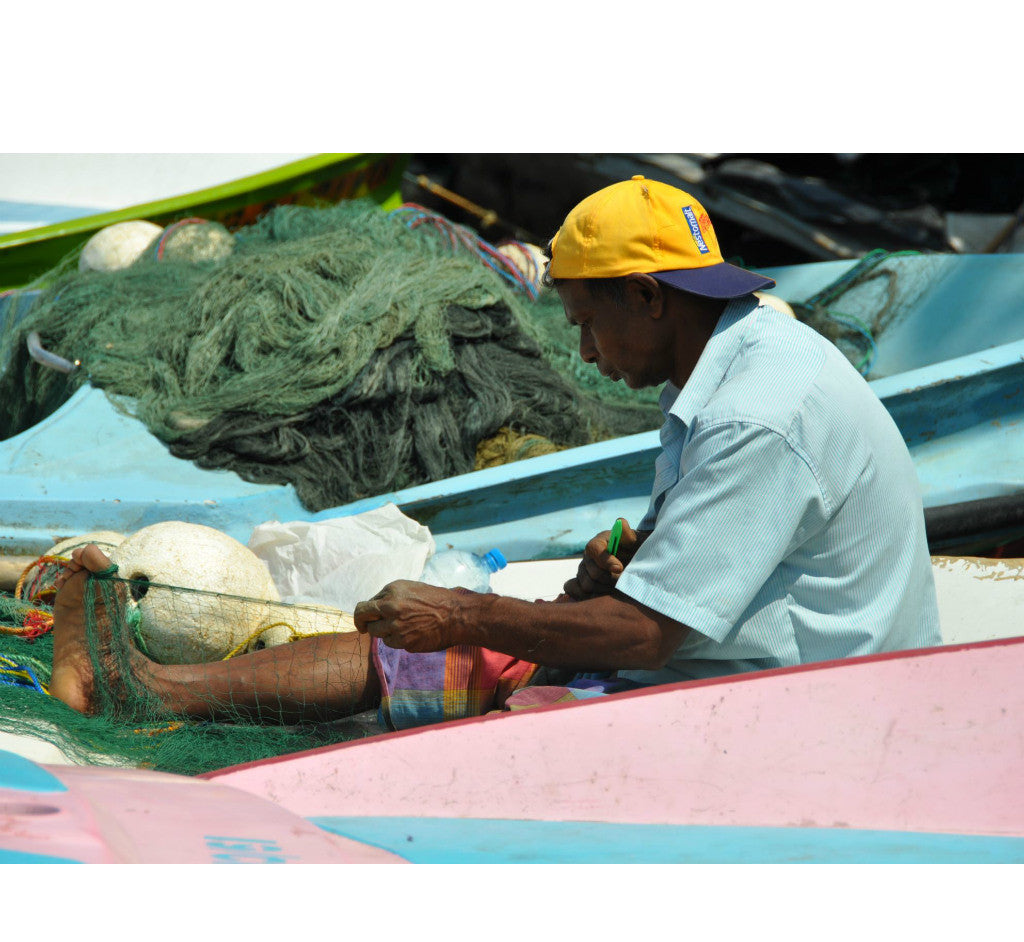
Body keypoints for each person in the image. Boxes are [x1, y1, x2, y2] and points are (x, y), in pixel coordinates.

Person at [50, 176, 941, 729]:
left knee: (466, 658)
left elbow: (651, 635)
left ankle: (157, 691)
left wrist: (464, 616)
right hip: (788, 664)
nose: (583, 355)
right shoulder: (746, 352)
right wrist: (625, 567)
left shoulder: (754, 412)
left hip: (801, 710)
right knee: (466, 639)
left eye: (589, 325)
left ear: (649, 298)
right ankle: (160, 688)